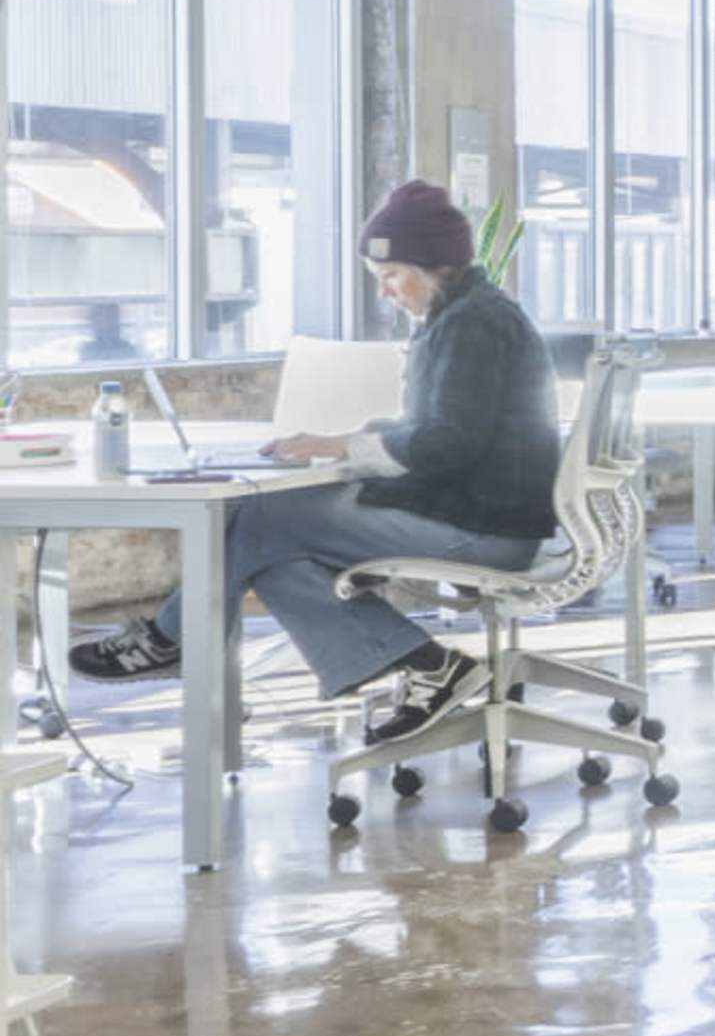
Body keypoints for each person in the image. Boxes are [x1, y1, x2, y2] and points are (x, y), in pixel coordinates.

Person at [67, 182, 563, 743]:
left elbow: (448, 444)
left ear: (436, 265)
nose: (386, 292)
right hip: (476, 516)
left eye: (393, 274)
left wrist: (344, 450)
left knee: (261, 518)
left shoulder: (473, 324)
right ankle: (430, 667)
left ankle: (168, 639)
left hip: (486, 531)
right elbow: (443, 430)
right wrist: (345, 439)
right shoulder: (466, 316)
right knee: (273, 556)